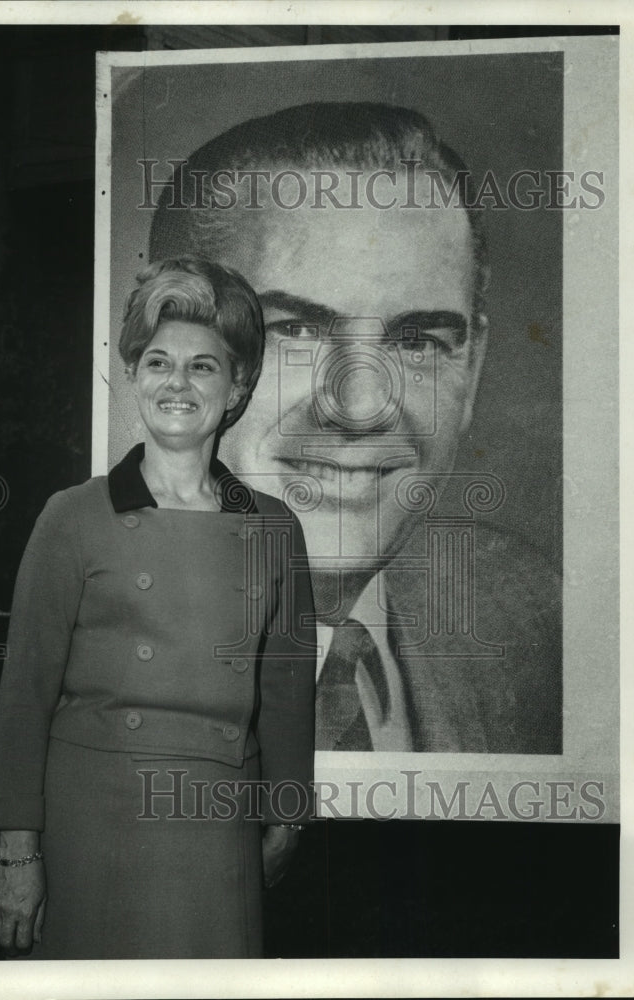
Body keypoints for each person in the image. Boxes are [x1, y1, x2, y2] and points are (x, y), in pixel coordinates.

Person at [145, 102, 561, 754]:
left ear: (472, 369)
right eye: (297, 330)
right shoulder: (73, 634)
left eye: (417, 340)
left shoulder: (532, 616)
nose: (361, 405)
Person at [0, 256, 317, 959]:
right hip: (94, 816)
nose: (177, 382)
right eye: (158, 361)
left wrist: (286, 817)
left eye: (203, 366)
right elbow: (24, 694)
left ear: (237, 389)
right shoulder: (72, 516)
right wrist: (18, 854)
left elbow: (287, 689)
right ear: (133, 374)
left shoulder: (274, 527)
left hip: (218, 822)